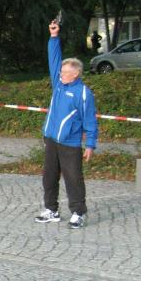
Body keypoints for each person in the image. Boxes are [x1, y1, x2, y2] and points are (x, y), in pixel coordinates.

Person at [35, 20, 98, 229]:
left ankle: (78, 213)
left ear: (75, 73)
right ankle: (51, 210)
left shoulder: (83, 93)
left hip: (70, 142)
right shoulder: (59, 85)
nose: (60, 74)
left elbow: (90, 120)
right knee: (49, 177)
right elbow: (53, 60)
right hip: (51, 139)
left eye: (64, 72)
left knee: (73, 179)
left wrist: (90, 144)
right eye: (60, 71)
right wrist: (54, 37)